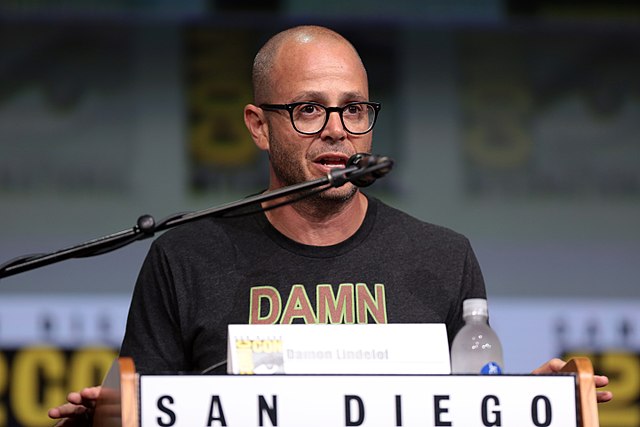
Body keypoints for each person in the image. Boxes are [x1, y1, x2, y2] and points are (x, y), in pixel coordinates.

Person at [48, 25, 612, 425]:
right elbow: (148, 412)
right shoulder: (187, 257)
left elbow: (463, 413)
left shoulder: (443, 258)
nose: (338, 130)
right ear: (259, 125)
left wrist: (530, 408)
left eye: (354, 109)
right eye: (309, 109)